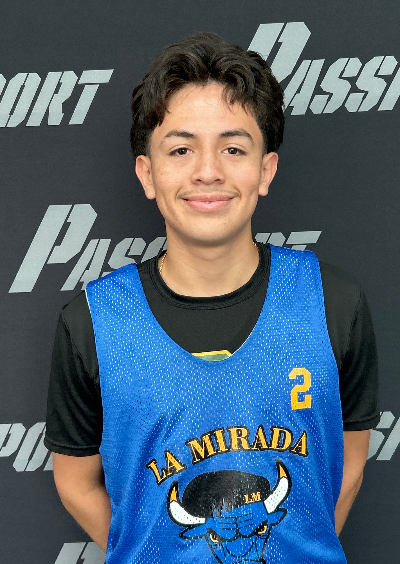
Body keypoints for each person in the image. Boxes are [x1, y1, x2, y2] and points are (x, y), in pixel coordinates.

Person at [44, 32, 379, 564]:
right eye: (181, 149)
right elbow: (75, 481)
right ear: (147, 173)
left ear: (265, 170)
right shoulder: (92, 322)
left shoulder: (334, 305)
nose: (208, 171)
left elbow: (349, 464)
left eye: (233, 149)